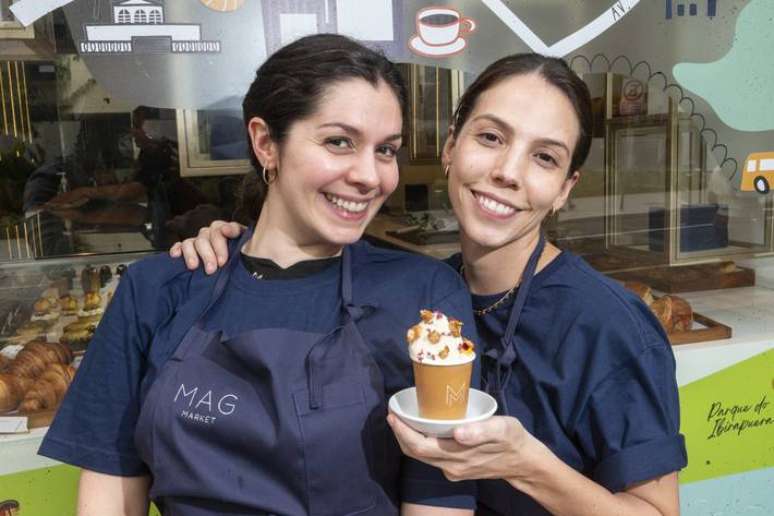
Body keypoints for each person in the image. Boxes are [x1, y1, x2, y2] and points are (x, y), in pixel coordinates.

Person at [175, 53, 687, 515]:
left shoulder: (609, 327)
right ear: (450, 147)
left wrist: (527, 464)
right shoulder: (419, 297)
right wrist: (240, 254)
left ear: (564, 190)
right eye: (491, 137)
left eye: (545, 157)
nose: (508, 171)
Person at [39, 34, 478, 516]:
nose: (370, 177)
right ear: (266, 142)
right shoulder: (160, 287)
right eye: (339, 142)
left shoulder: (422, 296)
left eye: (386, 150)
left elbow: (438, 498)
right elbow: (111, 490)